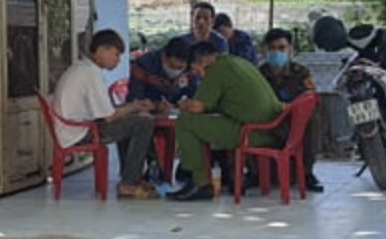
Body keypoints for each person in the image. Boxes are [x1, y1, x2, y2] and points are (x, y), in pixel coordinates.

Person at [170, 41, 283, 201]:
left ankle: (200, 183)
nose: (197, 74)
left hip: (254, 132)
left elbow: (197, 107)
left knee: (185, 123)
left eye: (195, 70)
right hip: (273, 127)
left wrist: (182, 104)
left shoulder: (216, 70)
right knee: (204, 122)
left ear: (203, 61)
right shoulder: (237, 62)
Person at [52, 29, 159, 199]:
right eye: (116, 54)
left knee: (133, 120)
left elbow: (105, 111)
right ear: (102, 50)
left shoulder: (84, 68)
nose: (118, 60)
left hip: (76, 128)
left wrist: (132, 108)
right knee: (144, 122)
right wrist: (135, 107)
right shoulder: (90, 73)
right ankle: (129, 184)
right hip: (79, 132)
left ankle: (129, 177)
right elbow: (108, 116)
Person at [257, 27, 324, 192]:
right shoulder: (258, 74)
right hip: (268, 121)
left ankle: (307, 173)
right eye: (272, 48)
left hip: (292, 122)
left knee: (314, 119)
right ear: (265, 50)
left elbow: (312, 98)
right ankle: (254, 173)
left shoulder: (300, 73)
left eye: (281, 48)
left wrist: (293, 108)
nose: (276, 52)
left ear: (290, 50)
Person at [128, 35, 196, 110]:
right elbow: (135, 101)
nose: (175, 71)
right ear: (164, 56)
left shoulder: (189, 68)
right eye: (171, 66)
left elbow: (193, 92)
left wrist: (189, 103)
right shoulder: (143, 65)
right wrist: (155, 106)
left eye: (180, 68)